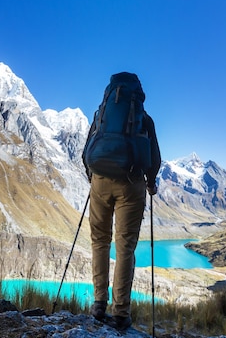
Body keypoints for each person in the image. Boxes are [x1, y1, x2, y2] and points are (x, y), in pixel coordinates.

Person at [82, 72, 161, 331]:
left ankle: (98, 305)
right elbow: (155, 158)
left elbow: (87, 152)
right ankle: (121, 313)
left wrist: (93, 177)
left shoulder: (100, 116)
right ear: (138, 96)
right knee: (125, 247)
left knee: (100, 242)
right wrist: (150, 182)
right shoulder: (144, 119)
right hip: (131, 183)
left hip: (100, 182)